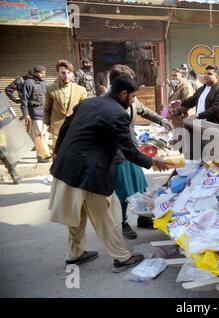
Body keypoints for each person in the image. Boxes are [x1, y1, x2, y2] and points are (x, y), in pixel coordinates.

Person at [48, 75, 170, 272]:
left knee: (76, 216)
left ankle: (74, 254)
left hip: (66, 167)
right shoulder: (117, 113)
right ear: (123, 93)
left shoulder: (88, 103)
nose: (132, 101)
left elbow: (65, 128)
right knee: (110, 215)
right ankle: (121, 258)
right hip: (90, 173)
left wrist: (58, 154)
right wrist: (152, 161)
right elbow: (128, 150)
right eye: (132, 97)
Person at [108, 64, 173, 239]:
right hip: (118, 154)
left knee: (140, 186)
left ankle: (143, 217)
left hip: (132, 149)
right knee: (123, 191)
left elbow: (144, 111)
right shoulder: (108, 104)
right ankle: (122, 223)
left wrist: (162, 120)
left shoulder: (130, 98)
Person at [43, 60, 87, 154]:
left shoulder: (81, 90)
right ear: (58, 73)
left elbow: (84, 111)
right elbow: (47, 109)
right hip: (57, 128)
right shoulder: (51, 89)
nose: (66, 75)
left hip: (75, 128)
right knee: (58, 155)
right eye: (63, 73)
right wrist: (44, 127)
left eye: (68, 72)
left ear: (72, 74)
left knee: (74, 155)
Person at [21, 65, 49, 163]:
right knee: (38, 136)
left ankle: (46, 155)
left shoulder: (45, 83)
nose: (43, 75)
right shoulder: (28, 83)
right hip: (35, 113)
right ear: (36, 73)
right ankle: (41, 156)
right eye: (41, 73)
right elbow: (24, 100)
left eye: (45, 73)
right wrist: (26, 114)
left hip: (45, 113)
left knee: (45, 135)